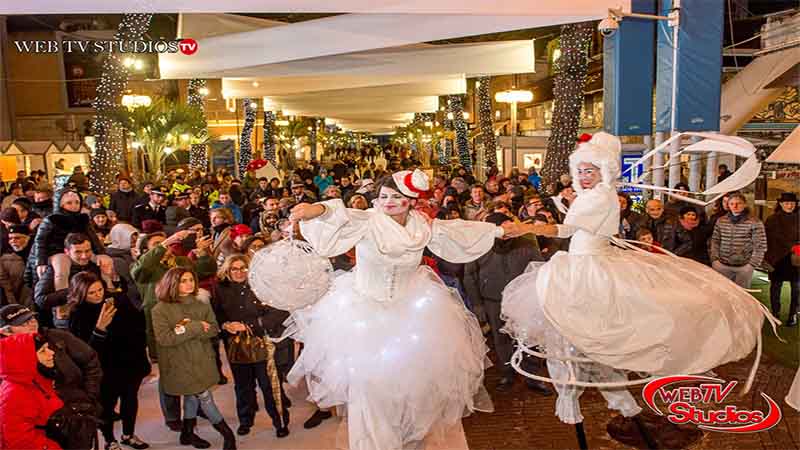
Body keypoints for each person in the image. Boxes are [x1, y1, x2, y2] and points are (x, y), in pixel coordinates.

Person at [501, 132, 766, 427]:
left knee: (579, 340)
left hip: (589, 271)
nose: (584, 176)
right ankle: (606, 398)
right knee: (585, 340)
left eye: (590, 170)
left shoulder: (600, 197)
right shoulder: (593, 195)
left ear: (604, 171)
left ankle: (576, 397)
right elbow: (577, 225)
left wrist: (524, 226)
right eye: (580, 171)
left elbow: (566, 230)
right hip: (580, 266)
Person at [285, 169, 513, 450]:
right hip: (364, 315)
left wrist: (500, 230)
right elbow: (336, 214)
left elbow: (460, 232)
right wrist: (312, 208)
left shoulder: (423, 226)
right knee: (371, 392)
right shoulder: (367, 220)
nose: (388, 201)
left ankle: (409, 437)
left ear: (411, 201)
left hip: (413, 314)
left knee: (413, 389)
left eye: (396, 196)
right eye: (383, 196)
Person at [462, 212, 551, 395]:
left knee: (528, 336)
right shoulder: (479, 245)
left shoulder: (526, 240)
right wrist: (478, 304)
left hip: (521, 299)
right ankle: (507, 373)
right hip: (493, 299)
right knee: (501, 338)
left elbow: (538, 269)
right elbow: (469, 275)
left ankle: (532, 375)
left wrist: (537, 297)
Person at [62, 271, 152, 450]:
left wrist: (140, 351)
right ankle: (110, 440)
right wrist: (99, 329)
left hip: (129, 362)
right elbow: (84, 352)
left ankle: (128, 434)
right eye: (92, 293)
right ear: (81, 294)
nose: (98, 295)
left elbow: (138, 326)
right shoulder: (77, 315)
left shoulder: (118, 301)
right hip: (103, 369)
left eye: (100, 290)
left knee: (130, 400)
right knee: (106, 406)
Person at [152, 268, 236, 450]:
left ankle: (187, 434)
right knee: (205, 398)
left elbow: (213, 329)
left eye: (191, 279)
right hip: (179, 363)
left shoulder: (201, 304)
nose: (189, 284)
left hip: (202, 359)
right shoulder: (160, 309)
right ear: (172, 283)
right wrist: (195, 327)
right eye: (183, 281)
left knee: (193, 395)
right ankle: (228, 435)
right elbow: (165, 338)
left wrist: (186, 330)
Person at [0, 304, 103, 450]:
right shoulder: (13, 382)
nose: (32, 323)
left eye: (32, 318)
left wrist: (90, 396)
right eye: (23, 323)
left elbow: (90, 360)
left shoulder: (56, 337)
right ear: (6, 332)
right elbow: (20, 438)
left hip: (75, 418)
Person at [213, 255, 291, 437]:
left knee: (270, 385)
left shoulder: (262, 286)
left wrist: (250, 326)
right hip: (236, 345)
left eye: (244, 268)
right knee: (242, 386)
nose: (239, 272)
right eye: (234, 269)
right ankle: (245, 420)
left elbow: (280, 312)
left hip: (262, 342)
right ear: (227, 270)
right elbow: (217, 313)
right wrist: (225, 325)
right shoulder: (221, 289)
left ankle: (280, 422)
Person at [31, 189, 107, 288]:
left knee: (104, 262)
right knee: (61, 270)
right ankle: (62, 294)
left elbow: (93, 237)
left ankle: (110, 288)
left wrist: (101, 253)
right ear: (61, 204)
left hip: (79, 249)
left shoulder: (83, 219)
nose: (74, 205)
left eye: (77, 202)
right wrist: (41, 261)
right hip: (57, 252)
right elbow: (40, 241)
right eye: (69, 203)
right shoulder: (51, 220)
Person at [0, 333, 64, 450]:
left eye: (48, 348)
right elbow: (20, 442)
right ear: (25, 358)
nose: (51, 352)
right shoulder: (15, 393)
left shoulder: (37, 379)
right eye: (43, 351)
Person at [710, 192, 767, 289]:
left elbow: (760, 245)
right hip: (722, 265)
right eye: (732, 204)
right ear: (728, 205)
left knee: (742, 295)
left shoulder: (754, 222)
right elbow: (715, 241)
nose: (735, 206)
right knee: (722, 293)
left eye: (739, 203)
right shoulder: (721, 221)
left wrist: (751, 265)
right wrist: (715, 260)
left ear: (744, 204)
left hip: (743, 266)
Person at [764, 192, 799, 326]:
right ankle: (775, 313)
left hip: (796, 258)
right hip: (777, 258)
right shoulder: (772, 219)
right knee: (775, 287)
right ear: (780, 204)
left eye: (792, 203)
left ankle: (793, 314)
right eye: (786, 203)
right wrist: (793, 246)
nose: (789, 205)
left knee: (796, 288)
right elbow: (772, 238)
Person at [0, 224, 34, 307]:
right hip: (20, 304)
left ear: (28, 238)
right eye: (10, 238)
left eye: (17, 238)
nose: (13, 241)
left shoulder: (37, 256)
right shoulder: (5, 259)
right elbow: (6, 288)